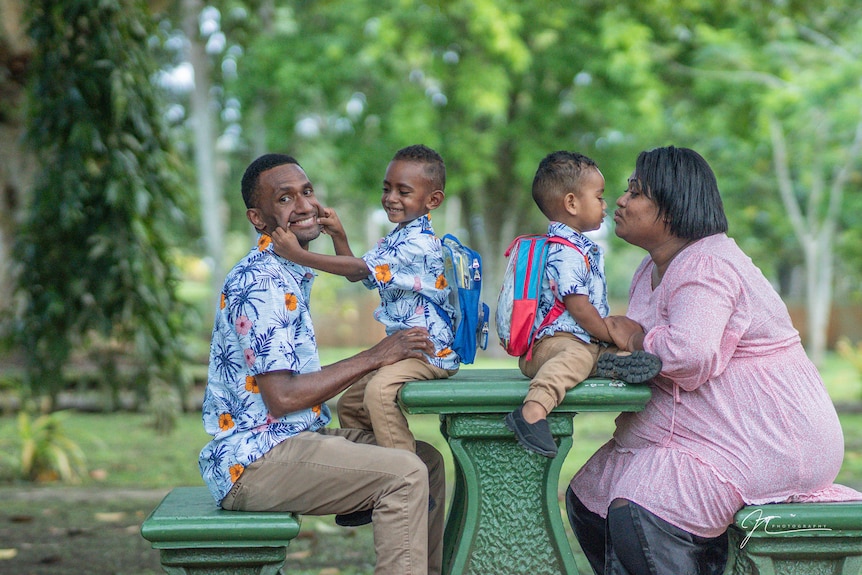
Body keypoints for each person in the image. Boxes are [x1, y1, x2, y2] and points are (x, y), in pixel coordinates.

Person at [567, 145, 862, 575]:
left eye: (635, 190)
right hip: (703, 433)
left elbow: (689, 356)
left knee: (640, 515)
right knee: (588, 500)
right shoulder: (652, 269)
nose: (621, 200)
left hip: (766, 435)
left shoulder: (707, 264)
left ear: (672, 206)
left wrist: (637, 336)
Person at [198, 153, 446, 575]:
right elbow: (282, 397)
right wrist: (375, 357)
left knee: (427, 462)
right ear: (258, 218)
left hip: (293, 439)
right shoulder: (261, 282)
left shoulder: (289, 271)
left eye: (307, 192)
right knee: (405, 473)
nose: (304, 206)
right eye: (285, 199)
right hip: (254, 460)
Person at [271, 144, 458, 461]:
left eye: (403, 191)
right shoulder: (397, 237)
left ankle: (403, 475)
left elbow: (358, 268)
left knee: (378, 392)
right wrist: (339, 237)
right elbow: (360, 274)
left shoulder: (419, 244)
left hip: (427, 351)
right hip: (404, 350)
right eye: (387, 189)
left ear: (433, 200)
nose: (391, 198)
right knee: (352, 404)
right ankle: (370, 484)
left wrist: (299, 255)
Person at [504, 151, 662, 458]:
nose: (606, 204)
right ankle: (532, 412)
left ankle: (609, 363)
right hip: (548, 346)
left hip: (576, 341)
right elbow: (577, 304)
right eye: (599, 197)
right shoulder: (565, 252)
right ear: (572, 203)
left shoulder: (580, 248)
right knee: (577, 355)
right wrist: (606, 330)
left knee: (599, 352)